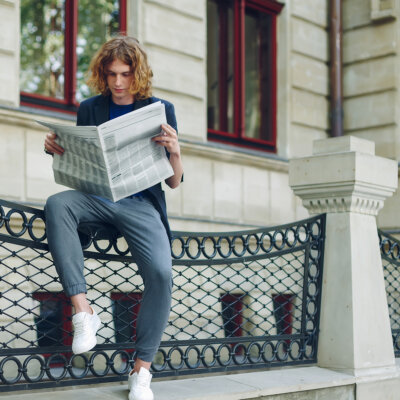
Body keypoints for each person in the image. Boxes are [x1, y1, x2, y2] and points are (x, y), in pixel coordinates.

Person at [43, 36, 183, 400]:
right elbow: (82, 158)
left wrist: (176, 152)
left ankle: (142, 369)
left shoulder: (160, 108)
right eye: (111, 75)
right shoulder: (90, 108)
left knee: (162, 274)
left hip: (141, 204)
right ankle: (83, 310)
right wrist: (57, 148)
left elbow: (173, 181)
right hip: (97, 197)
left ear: (138, 73)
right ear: (102, 75)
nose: (118, 83)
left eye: (124, 74)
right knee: (57, 203)